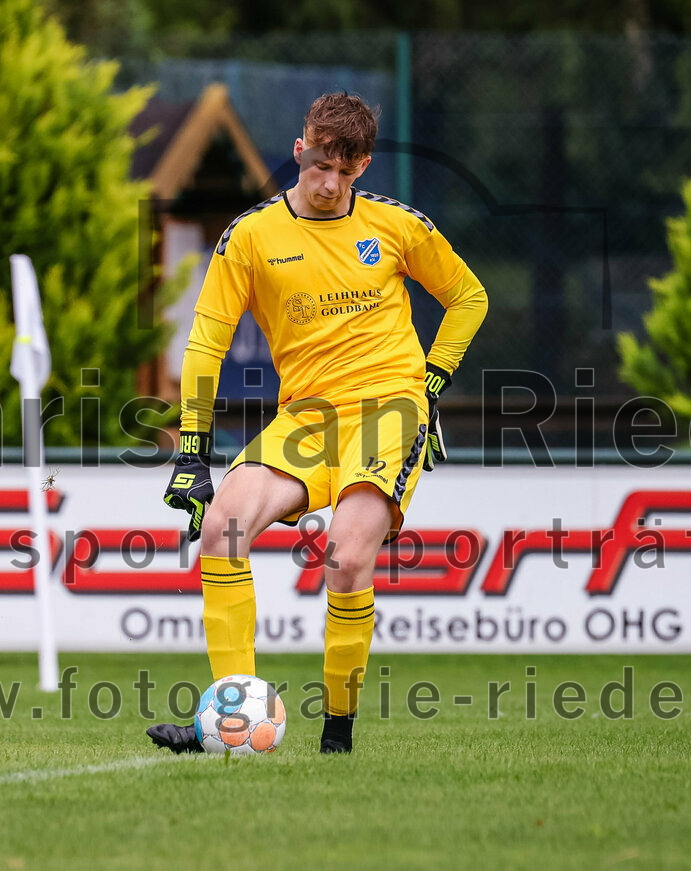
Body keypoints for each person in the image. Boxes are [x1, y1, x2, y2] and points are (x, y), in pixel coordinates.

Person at [147, 92, 487, 754]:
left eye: (346, 170)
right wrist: (193, 451)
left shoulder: (397, 226)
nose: (330, 184)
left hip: (390, 406)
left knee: (345, 557)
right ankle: (230, 721)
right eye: (320, 165)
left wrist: (433, 381)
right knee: (220, 527)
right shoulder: (250, 237)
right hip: (305, 418)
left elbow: (467, 297)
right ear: (300, 151)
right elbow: (204, 343)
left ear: (363, 167)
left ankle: (338, 731)